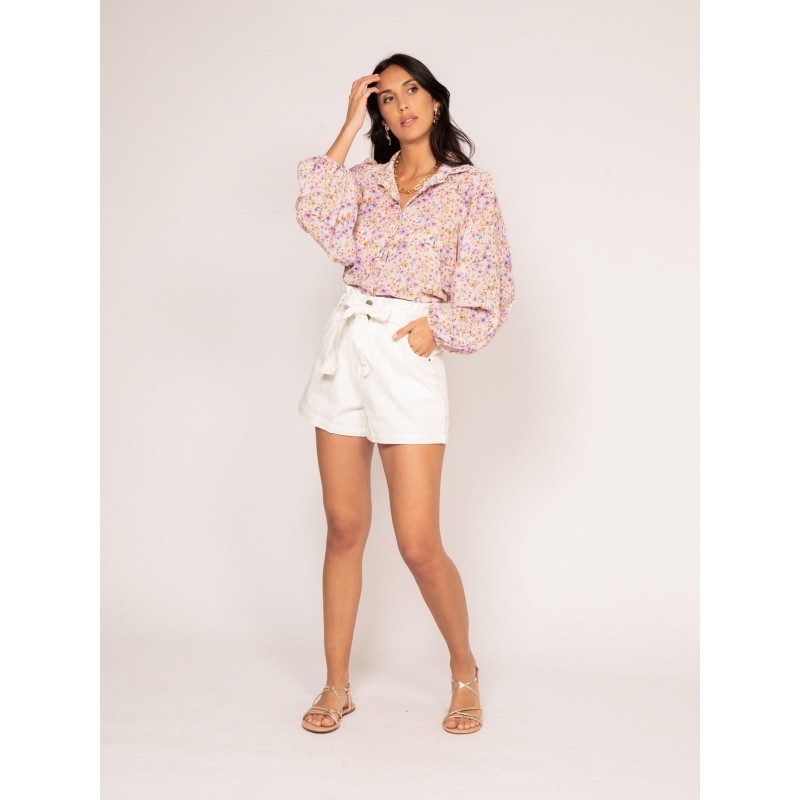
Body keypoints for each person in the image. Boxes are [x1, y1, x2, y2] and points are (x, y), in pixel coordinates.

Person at [294, 53, 515, 735]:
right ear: (380, 116)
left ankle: (464, 668)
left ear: (436, 100)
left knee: (418, 542)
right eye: (386, 98)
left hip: (405, 351)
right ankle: (336, 684)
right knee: (344, 527)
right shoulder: (364, 181)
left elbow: (491, 288)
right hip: (346, 346)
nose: (402, 104)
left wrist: (435, 329)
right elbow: (314, 211)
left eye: (411, 90)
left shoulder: (470, 189)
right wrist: (346, 122)